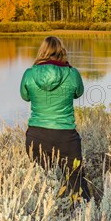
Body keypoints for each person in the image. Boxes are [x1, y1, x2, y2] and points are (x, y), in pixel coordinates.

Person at [20, 36, 91, 201]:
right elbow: (78, 93)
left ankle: (41, 218)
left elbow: (25, 97)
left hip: (36, 135)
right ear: (61, 51)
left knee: (40, 183)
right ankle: (83, 217)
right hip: (65, 135)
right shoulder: (72, 73)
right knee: (76, 180)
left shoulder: (29, 74)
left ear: (42, 51)